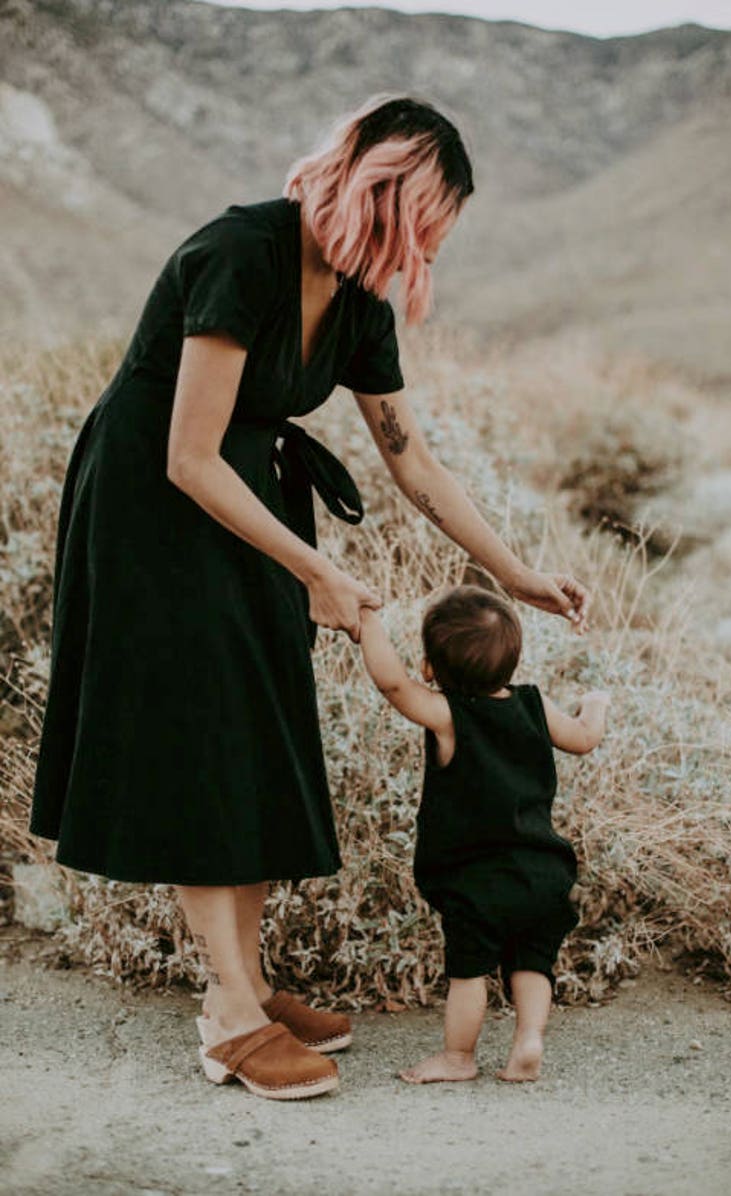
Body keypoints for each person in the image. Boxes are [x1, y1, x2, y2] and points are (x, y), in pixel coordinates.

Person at [29, 93, 590, 1101]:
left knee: (248, 736)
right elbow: (188, 456)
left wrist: (514, 573)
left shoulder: (362, 299)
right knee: (200, 746)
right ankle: (233, 1017)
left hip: (250, 502)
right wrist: (317, 570)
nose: (425, 246)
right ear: (381, 194)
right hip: (155, 506)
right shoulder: (243, 253)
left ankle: (242, 987)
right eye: (423, 221)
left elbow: (408, 460)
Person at [358, 587, 609, 1083]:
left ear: (431, 668)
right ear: (513, 662)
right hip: (542, 871)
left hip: (478, 882)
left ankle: (458, 1058)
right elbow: (584, 738)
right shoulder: (533, 705)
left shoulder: (451, 716)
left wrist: (367, 619)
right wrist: (595, 704)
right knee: (533, 961)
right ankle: (528, 1042)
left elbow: (393, 685)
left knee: (469, 973)